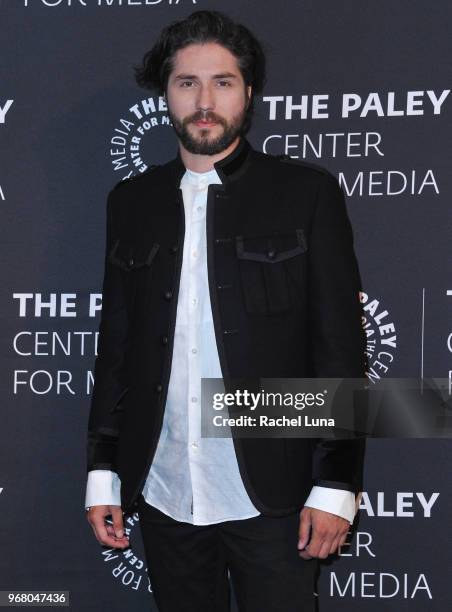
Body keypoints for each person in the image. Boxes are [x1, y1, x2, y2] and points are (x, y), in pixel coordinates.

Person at [85, 10, 366, 612]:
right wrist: (103, 469)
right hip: (163, 490)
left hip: (275, 493)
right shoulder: (131, 203)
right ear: (166, 94)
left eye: (223, 82)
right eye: (187, 83)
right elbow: (118, 345)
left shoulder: (305, 193)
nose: (204, 100)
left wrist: (337, 481)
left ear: (249, 94)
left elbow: (339, 347)